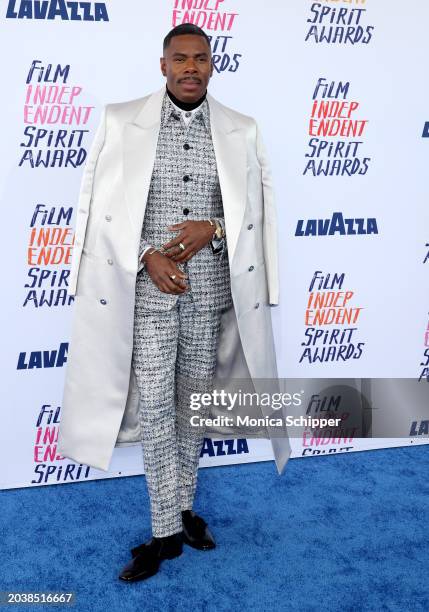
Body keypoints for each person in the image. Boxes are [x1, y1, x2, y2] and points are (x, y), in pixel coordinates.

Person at [57, 23, 285, 583]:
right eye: (179, 58)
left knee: (192, 406)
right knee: (157, 405)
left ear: (213, 65)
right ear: (162, 65)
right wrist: (146, 256)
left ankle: (183, 508)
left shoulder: (243, 129)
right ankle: (163, 531)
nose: (190, 67)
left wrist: (213, 227)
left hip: (210, 294)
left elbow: (258, 214)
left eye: (200, 59)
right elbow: (96, 210)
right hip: (147, 293)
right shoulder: (120, 120)